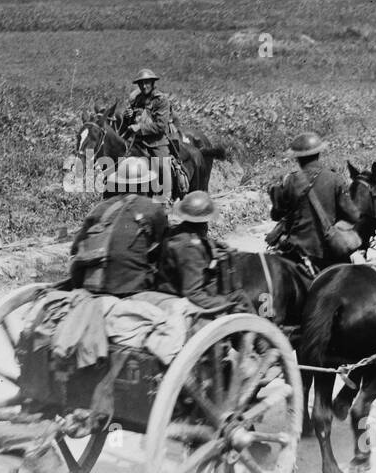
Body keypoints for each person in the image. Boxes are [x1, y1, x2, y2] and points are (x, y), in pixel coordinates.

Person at [69, 158, 168, 296]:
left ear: (119, 183)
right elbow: (163, 251)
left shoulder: (100, 208)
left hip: (94, 286)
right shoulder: (154, 209)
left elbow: (75, 249)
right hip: (134, 287)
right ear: (146, 184)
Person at [266, 131, 357, 272]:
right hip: (327, 251)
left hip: (296, 249)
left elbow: (276, 215)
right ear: (319, 154)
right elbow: (353, 216)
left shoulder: (289, 180)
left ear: (297, 158)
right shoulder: (335, 179)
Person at [156, 192, 250, 314]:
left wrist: (214, 244)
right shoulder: (189, 246)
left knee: (239, 295)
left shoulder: (180, 232)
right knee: (240, 301)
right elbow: (193, 293)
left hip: (178, 287)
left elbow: (198, 239)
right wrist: (227, 305)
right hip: (179, 296)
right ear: (203, 223)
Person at [120, 68, 185, 200]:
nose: (144, 86)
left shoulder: (161, 100)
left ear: (153, 83)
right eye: (141, 84)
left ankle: (167, 198)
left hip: (156, 142)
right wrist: (128, 117)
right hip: (137, 142)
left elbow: (160, 126)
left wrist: (139, 128)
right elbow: (131, 122)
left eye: (147, 83)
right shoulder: (136, 100)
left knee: (162, 165)